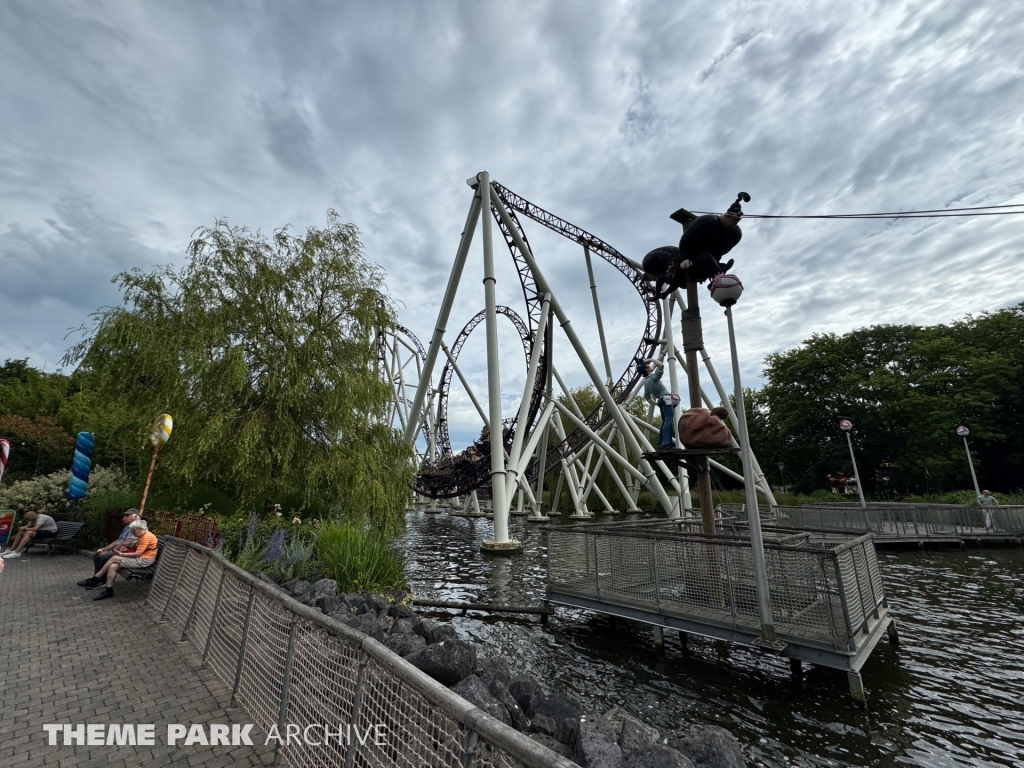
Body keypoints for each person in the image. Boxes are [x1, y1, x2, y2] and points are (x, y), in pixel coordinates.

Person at [643, 193, 748, 299]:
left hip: (691, 260)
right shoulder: (665, 274)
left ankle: (718, 272)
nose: (653, 280)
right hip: (689, 265)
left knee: (708, 257)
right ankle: (718, 272)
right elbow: (673, 283)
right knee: (705, 257)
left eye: (651, 279)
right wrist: (663, 294)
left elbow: (662, 256)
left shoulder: (650, 266)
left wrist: (674, 263)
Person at [83, 520, 158, 601]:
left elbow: (137, 554)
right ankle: (109, 590)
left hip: (144, 561)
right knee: (113, 566)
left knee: (115, 558)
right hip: (141, 558)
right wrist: (126, 550)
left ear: (140, 529)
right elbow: (138, 548)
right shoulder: (142, 535)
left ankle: (96, 578)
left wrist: (121, 554)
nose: (132, 533)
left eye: (133, 531)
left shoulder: (146, 537)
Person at [78, 509, 141, 586]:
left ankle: (101, 580)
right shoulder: (128, 527)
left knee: (105, 556)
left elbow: (126, 543)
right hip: (121, 550)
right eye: (124, 516)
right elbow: (118, 541)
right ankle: (97, 578)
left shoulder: (137, 527)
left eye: (127, 516)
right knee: (97, 554)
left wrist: (110, 551)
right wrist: (104, 549)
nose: (124, 518)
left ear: (135, 516)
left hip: (128, 551)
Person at [639, 358, 677, 451]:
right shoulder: (653, 378)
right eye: (648, 365)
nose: (650, 365)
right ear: (647, 369)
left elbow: (647, 397)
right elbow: (661, 365)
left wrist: (656, 403)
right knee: (669, 419)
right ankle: (667, 443)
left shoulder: (646, 383)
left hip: (661, 400)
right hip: (666, 399)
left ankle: (661, 444)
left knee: (664, 421)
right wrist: (651, 359)